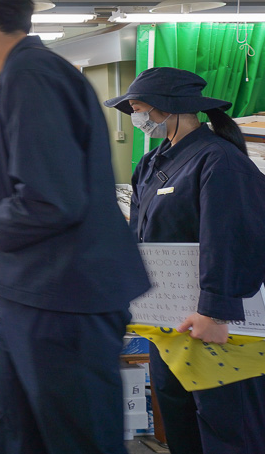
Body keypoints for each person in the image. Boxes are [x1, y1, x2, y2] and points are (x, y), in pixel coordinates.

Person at [0, 0, 151, 454]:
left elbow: (51, 200)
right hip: (41, 289)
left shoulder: (31, 75)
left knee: (73, 437)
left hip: (64, 299)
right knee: (18, 429)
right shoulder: (34, 73)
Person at [104, 67, 265, 454]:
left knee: (229, 428)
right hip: (169, 321)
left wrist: (215, 311)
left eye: (140, 107)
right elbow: (137, 237)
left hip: (216, 323)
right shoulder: (151, 163)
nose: (136, 116)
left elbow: (231, 238)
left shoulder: (220, 161)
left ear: (169, 108)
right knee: (179, 421)